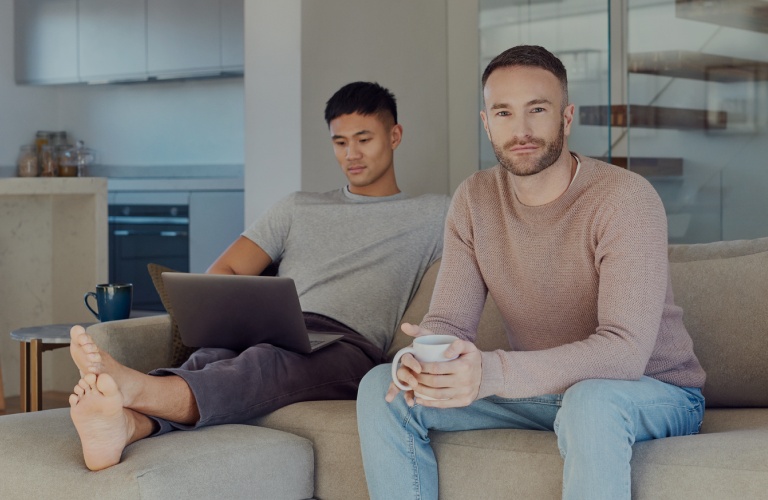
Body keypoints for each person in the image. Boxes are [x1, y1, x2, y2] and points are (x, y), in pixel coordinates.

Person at [357, 45, 707, 499]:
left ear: (566, 117)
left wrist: (491, 372)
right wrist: (421, 361)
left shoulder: (624, 199)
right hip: (542, 392)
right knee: (380, 386)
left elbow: (623, 353)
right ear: (487, 124)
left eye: (537, 109)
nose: (520, 130)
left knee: (591, 401)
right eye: (503, 113)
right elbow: (448, 324)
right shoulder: (474, 199)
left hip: (648, 391)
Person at [68, 81, 450, 471]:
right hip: (276, 326)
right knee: (212, 357)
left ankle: (134, 387)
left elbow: (499, 234)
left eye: (364, 139)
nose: (351, 154)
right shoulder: (298, 207)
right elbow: (225, 271)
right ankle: (127, 425)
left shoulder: (435, 213)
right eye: (339, 142)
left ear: (395, 135)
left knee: (264, 364)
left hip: (349, 346)